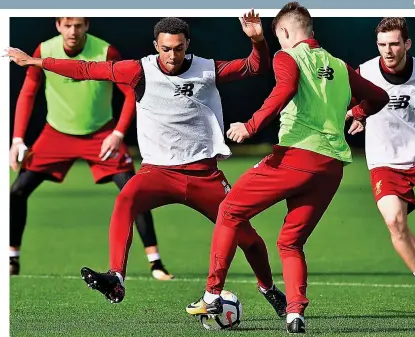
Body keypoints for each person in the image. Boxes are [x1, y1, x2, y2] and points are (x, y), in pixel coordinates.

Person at [6, 12, 289, 317]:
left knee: (249, 239)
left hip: (204, 175)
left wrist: (258, 39)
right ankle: (116, 278)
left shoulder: (208, 69)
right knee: (126, 198)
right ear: (156, 45)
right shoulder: (138, 70)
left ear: (187, 44)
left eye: (178, 48)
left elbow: (256, 66)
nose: (172, 55)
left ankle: (269, 289)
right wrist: (37, 63)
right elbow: (87, 68)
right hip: (158, 172)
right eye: (165, 48)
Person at [185, 2, 390, 334]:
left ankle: (212, 294)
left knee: (229, 211)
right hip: (331, 168)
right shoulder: (340, 65)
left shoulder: (287, 56)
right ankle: (295, 313)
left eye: (277, 36)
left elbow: (285, 89)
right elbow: (379, 96)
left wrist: (250, 126)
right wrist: (358, 113)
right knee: (291, 242)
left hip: (295, 158)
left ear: (283, 32)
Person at [8, 17, 173, 281]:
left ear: (87, 26)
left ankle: (156, 264)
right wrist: (17, 139)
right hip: (55, 135)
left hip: (101, 135)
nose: (73, 31)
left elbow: (131, 93)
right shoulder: (44, 50)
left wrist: (118, 134)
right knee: (17, 190)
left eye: (79, 25)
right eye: (68, 25)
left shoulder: (105, 51)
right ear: (58, 26)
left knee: (134, 191)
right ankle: (12, 259)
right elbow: (28, 92)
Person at [348, 17, 415, 311]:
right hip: (385, 162)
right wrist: (357, 114)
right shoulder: (365, 72)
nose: (388, 50)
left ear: (407, 44)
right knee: (394, 222)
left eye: (395, 43)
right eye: (382, 44)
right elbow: (354, 102)